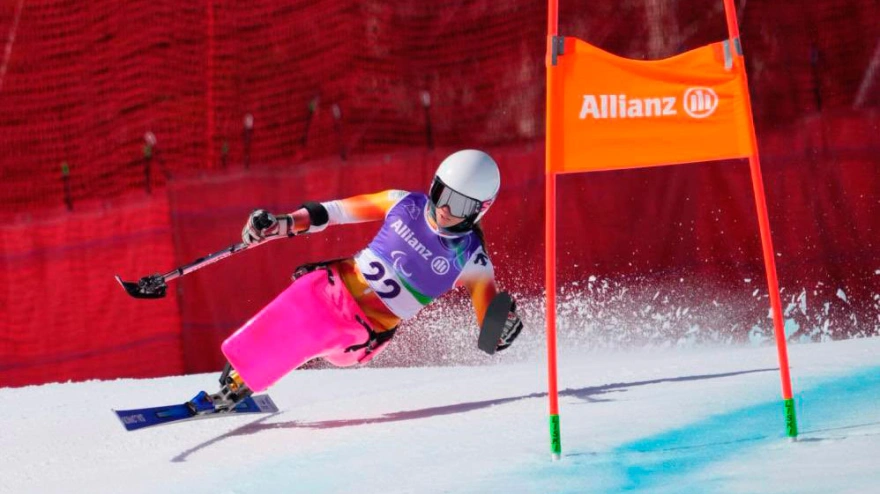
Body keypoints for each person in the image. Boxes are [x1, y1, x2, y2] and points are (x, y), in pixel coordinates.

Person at [208, 149, 524, 410]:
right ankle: (237, 371)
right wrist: (279, 223)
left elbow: (489, 334)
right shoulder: (404, 204)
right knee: (306, 290)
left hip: (363, 331)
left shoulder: (471, 259)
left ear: (480, 210)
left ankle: (242, 380)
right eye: (441, 193)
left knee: (320, 323)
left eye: (459, 205)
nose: (444, 208)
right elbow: (333, 213)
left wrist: (502, 328)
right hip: (330, 288)